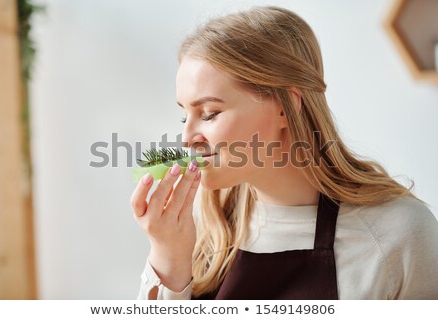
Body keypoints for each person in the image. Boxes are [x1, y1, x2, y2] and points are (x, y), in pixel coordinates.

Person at [131, 6, 438, 299]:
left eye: (210, 113)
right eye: (185, 116)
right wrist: (168, 262)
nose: (186, 139)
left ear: (286, 107)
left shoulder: (399, 234)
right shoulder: (198, 227)